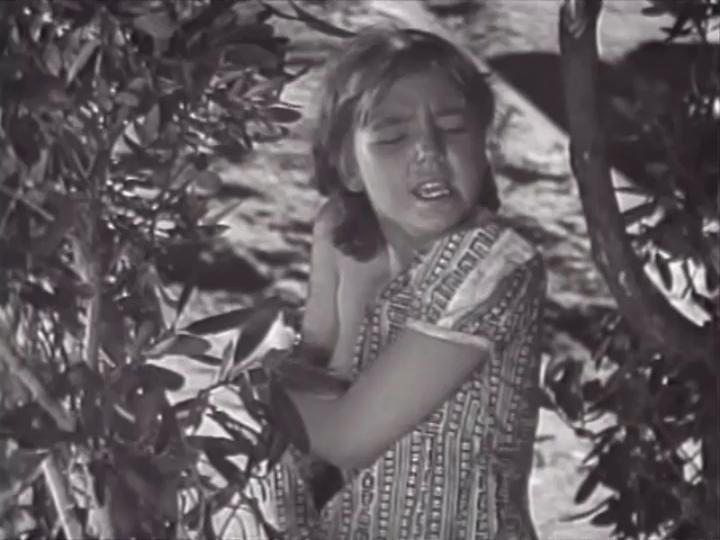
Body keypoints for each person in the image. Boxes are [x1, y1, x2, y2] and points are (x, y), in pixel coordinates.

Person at [264, 25, 547, 540]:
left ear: (484, 147)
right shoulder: (342, 240)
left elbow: (342, 438)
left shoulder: (493, 263)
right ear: (349, 165)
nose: (429, 150)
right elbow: (313, 371)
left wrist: (253, 391)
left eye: (454, 128)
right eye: (394, 137)